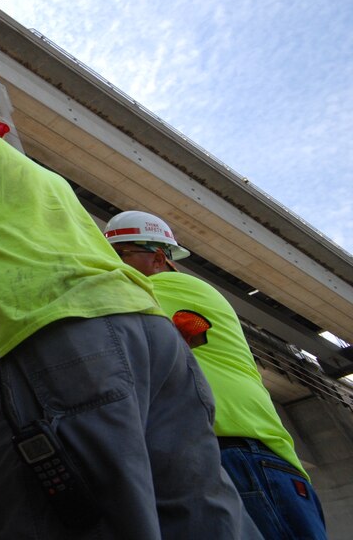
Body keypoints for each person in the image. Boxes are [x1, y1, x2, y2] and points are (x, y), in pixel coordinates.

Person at [0, 103, 259, 539]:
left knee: (72, 519)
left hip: (63, 350)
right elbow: (42, 293)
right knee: (197, 509)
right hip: (152, 338)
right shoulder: (47, 179)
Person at [104, 210, 327, 539]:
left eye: (121, 255)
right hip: (227, 453)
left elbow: (100, 308)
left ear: (159, 257)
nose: (114, 265)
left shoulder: (170, 286)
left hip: (242, 452)